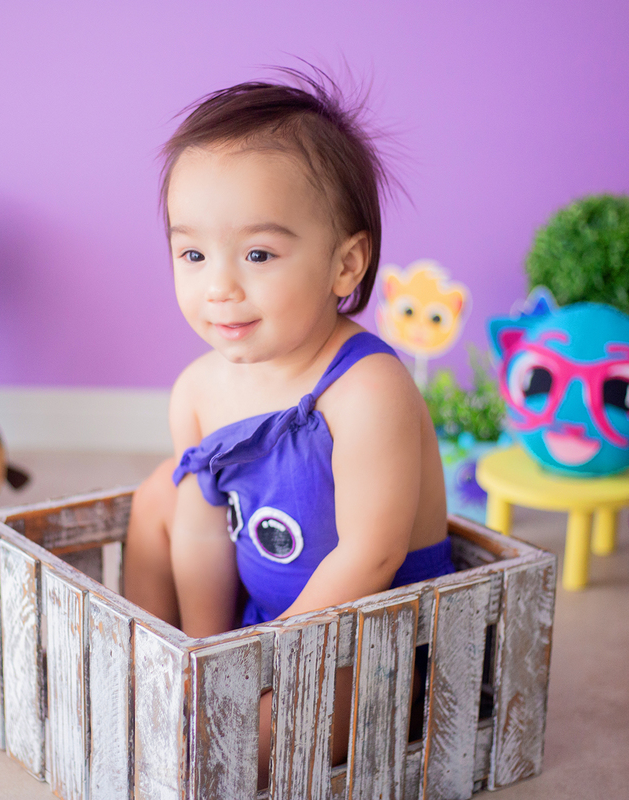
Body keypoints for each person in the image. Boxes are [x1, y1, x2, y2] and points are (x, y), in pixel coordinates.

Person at [122, 70, 453, 777]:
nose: (220, 286)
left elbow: (370, 556)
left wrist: (271, 666)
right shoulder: (200, 389)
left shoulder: (368, 388)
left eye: (259, 254)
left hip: (363, 643)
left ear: (346, 265)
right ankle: (157, 660)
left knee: (244, 749)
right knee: (164, 493)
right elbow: (205, 529)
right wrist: (214, 656)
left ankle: (217, 740)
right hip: (253, 618)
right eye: (193, 253)